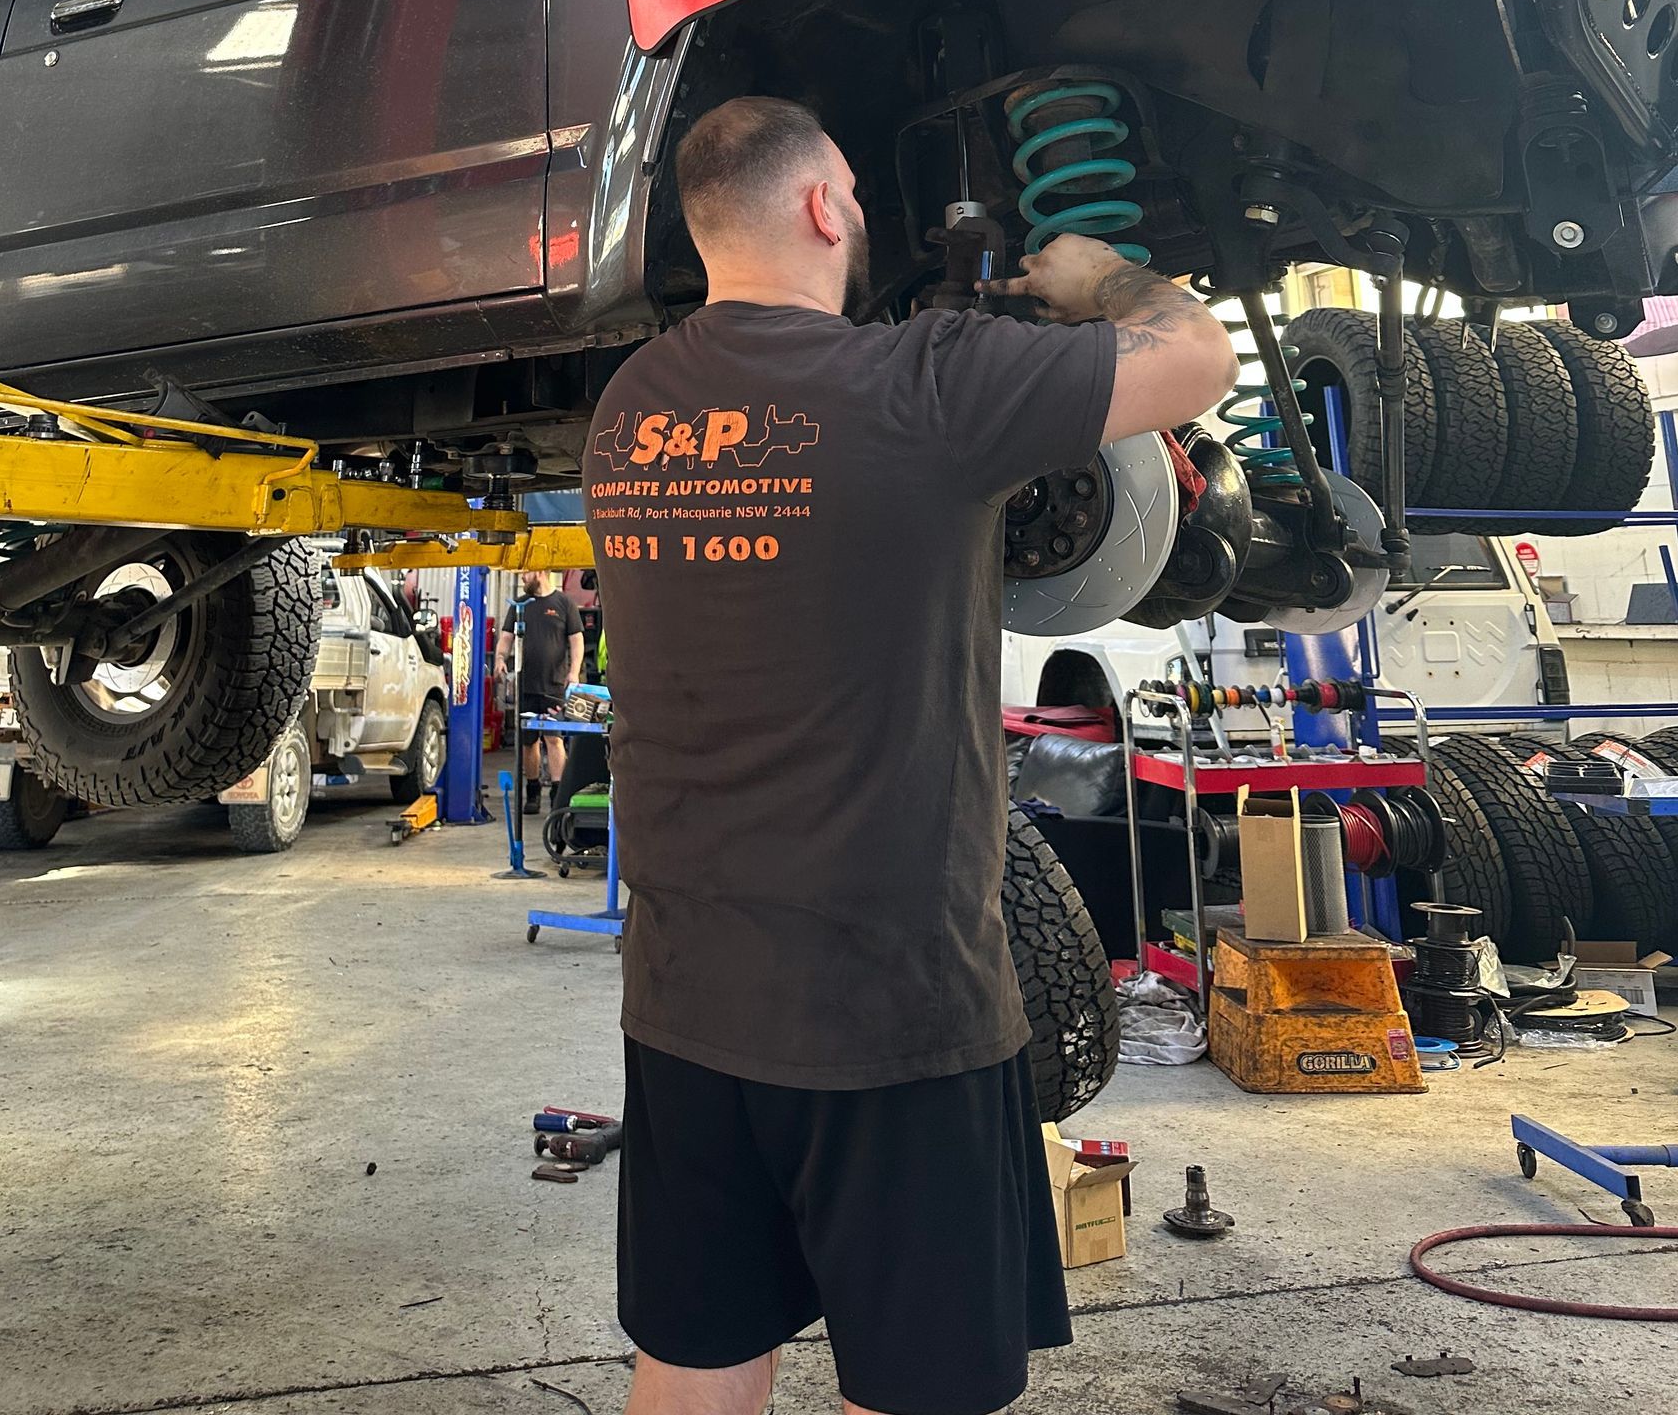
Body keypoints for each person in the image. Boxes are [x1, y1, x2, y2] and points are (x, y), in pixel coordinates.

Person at [583, 95, 1237, 1415]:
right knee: (921, 1385)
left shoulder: (632, 410)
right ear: (827, 208)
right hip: (893, 1015)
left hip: (686, 1002)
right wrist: (1097, 276)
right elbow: (1198, 359)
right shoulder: (925, 386)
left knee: (698, 1366)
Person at [497, 566, 584, 814]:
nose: (522, 577)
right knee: (528, 741)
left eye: (525, 572)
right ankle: (532, 791)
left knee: (554, 738)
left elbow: (576, 640)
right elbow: (506, 637)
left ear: (540, 572)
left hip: (554, 685)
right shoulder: (520, 605)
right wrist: (500, 659)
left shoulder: (564, 603)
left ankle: (559, 793)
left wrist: (573, 671)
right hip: (526, 685)